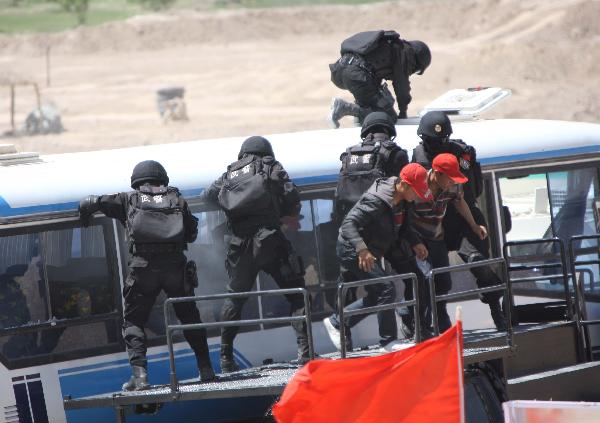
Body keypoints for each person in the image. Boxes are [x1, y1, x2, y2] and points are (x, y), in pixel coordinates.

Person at [78, 160, 214, 391]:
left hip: (143, 269)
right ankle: (206, 369)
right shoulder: (177, 199)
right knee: (189, 317)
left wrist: (84, 218)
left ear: (137, 181)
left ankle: (140, 377)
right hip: (175, 269)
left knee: (133, 321)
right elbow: (191, 234)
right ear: (163, 179)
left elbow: (89, 202)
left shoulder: (127, 199)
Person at [201, 136, 310, 372]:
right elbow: (291, 193)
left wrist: (232, 208)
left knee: (234, 298)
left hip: (239, 245)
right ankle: (305, 351)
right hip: (270, 239)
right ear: (265, 151)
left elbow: (206, 195)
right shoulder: (269, 165)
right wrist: (281, 211)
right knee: (296, 293)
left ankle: (226, 358)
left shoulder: (229, 174)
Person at [412, 111, 507, 331]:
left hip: (463, 218)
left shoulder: (462, 154)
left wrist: (474, 225)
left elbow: (469, 194)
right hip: (433, 224)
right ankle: (442, 321)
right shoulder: (417, 157)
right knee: (438, 277)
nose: (436, 144)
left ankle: (497, 309)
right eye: (431, 141)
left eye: (441, 140)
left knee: (477, 261)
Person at [323, 163, 432, 351]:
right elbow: (348, 224)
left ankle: (337, 322)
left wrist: (416, 242)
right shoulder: (377, 200)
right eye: (416, 191)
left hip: (369, 248)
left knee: (379, 295)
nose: (418, 197)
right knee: (386, 288)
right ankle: (388, 341)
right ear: (404, 185)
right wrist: (362, 250)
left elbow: (402, 228)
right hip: (352, 249)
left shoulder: (403, 200)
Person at [409, 153, 490, 333]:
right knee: (423, 280)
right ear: (436, 174)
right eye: (450, 178)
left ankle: (439, 315)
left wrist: (475, 226)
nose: (453, 182)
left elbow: (460, 203)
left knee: (443, 282)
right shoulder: (417, 186)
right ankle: (418, 325)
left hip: (437, 238)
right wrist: (412, 242)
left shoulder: (452, 186)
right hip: (416, 241)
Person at [328, 30, 430, 128]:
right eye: (416, 70)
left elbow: (373, 69)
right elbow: (401, 86)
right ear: (417, 60)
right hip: (357, 75)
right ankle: (344, 108)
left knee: (378, 102)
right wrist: (403, 112)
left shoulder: (388, 46)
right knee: (388, 117)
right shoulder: (405, 52)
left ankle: (360, 115)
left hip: (340, 71)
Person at [335, 111, 409, 219]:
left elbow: (339, 194)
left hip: (353, 222)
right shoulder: (397, 154)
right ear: (390, 132)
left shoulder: (349, 155)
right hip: (384, 224)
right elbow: (406, 193)